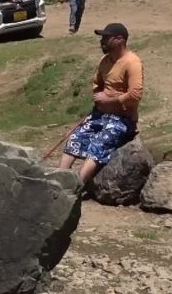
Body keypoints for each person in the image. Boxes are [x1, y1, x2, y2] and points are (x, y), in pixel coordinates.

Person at [59, 23, 144, 185]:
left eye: (106, 38)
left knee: (99, 144)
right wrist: (99, 97)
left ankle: (77, 184)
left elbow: (135, 95)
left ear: (119, 40)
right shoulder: (105, 60)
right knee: (75, 137)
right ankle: (59, 178)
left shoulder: (132, 62)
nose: (102, 41)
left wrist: (109, 100)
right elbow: (97, 84)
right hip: (99, 114)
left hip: (122, 119)